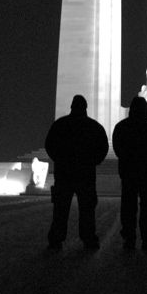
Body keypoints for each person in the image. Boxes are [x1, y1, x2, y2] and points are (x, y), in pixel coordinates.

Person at [45, 95, 109, 250]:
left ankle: (56, 239)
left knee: (61, 209)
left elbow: (49, 145)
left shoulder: (60, 125)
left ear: (72, 106)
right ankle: (88, 239)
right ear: (85, 107)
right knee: (87, 209)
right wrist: (94, 161)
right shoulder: (94, 126)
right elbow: (103, 147)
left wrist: (59, 160)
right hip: (85, 174)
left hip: (64, 173)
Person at [112, 96, 147, 250]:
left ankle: (129, 237)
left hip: (129, 172)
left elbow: (117, 147)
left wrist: (128, 158)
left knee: (128, 206)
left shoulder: (122, 127)